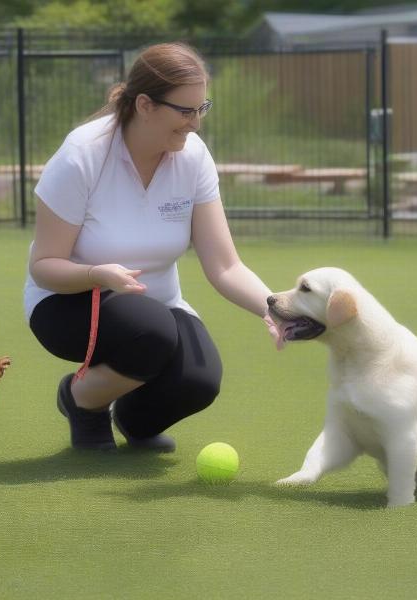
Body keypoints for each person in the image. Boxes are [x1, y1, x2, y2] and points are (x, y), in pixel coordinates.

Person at [24, 41, 278, 452]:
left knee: (199, 379)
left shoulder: (192, 156)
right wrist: (97, 274)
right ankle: (81, 400)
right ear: (145, 105)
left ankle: (135, 420)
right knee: (154, 330)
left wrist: (274, 309)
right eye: (185, 111)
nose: (196, 123)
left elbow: (226, 266)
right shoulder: (81, 156)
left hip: (154, 309)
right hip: (68, 300)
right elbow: (44, 265)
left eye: (202, 108)